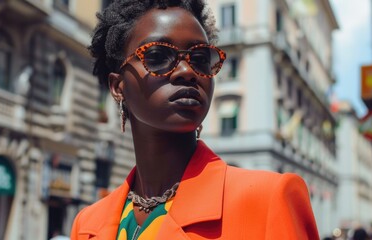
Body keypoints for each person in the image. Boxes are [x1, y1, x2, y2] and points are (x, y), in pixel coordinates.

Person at [70, 0, 319, 239]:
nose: (187, 71)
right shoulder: (88, 224)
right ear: (117, 86)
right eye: (157, 56)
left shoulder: (268, 200)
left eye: (200, 59)